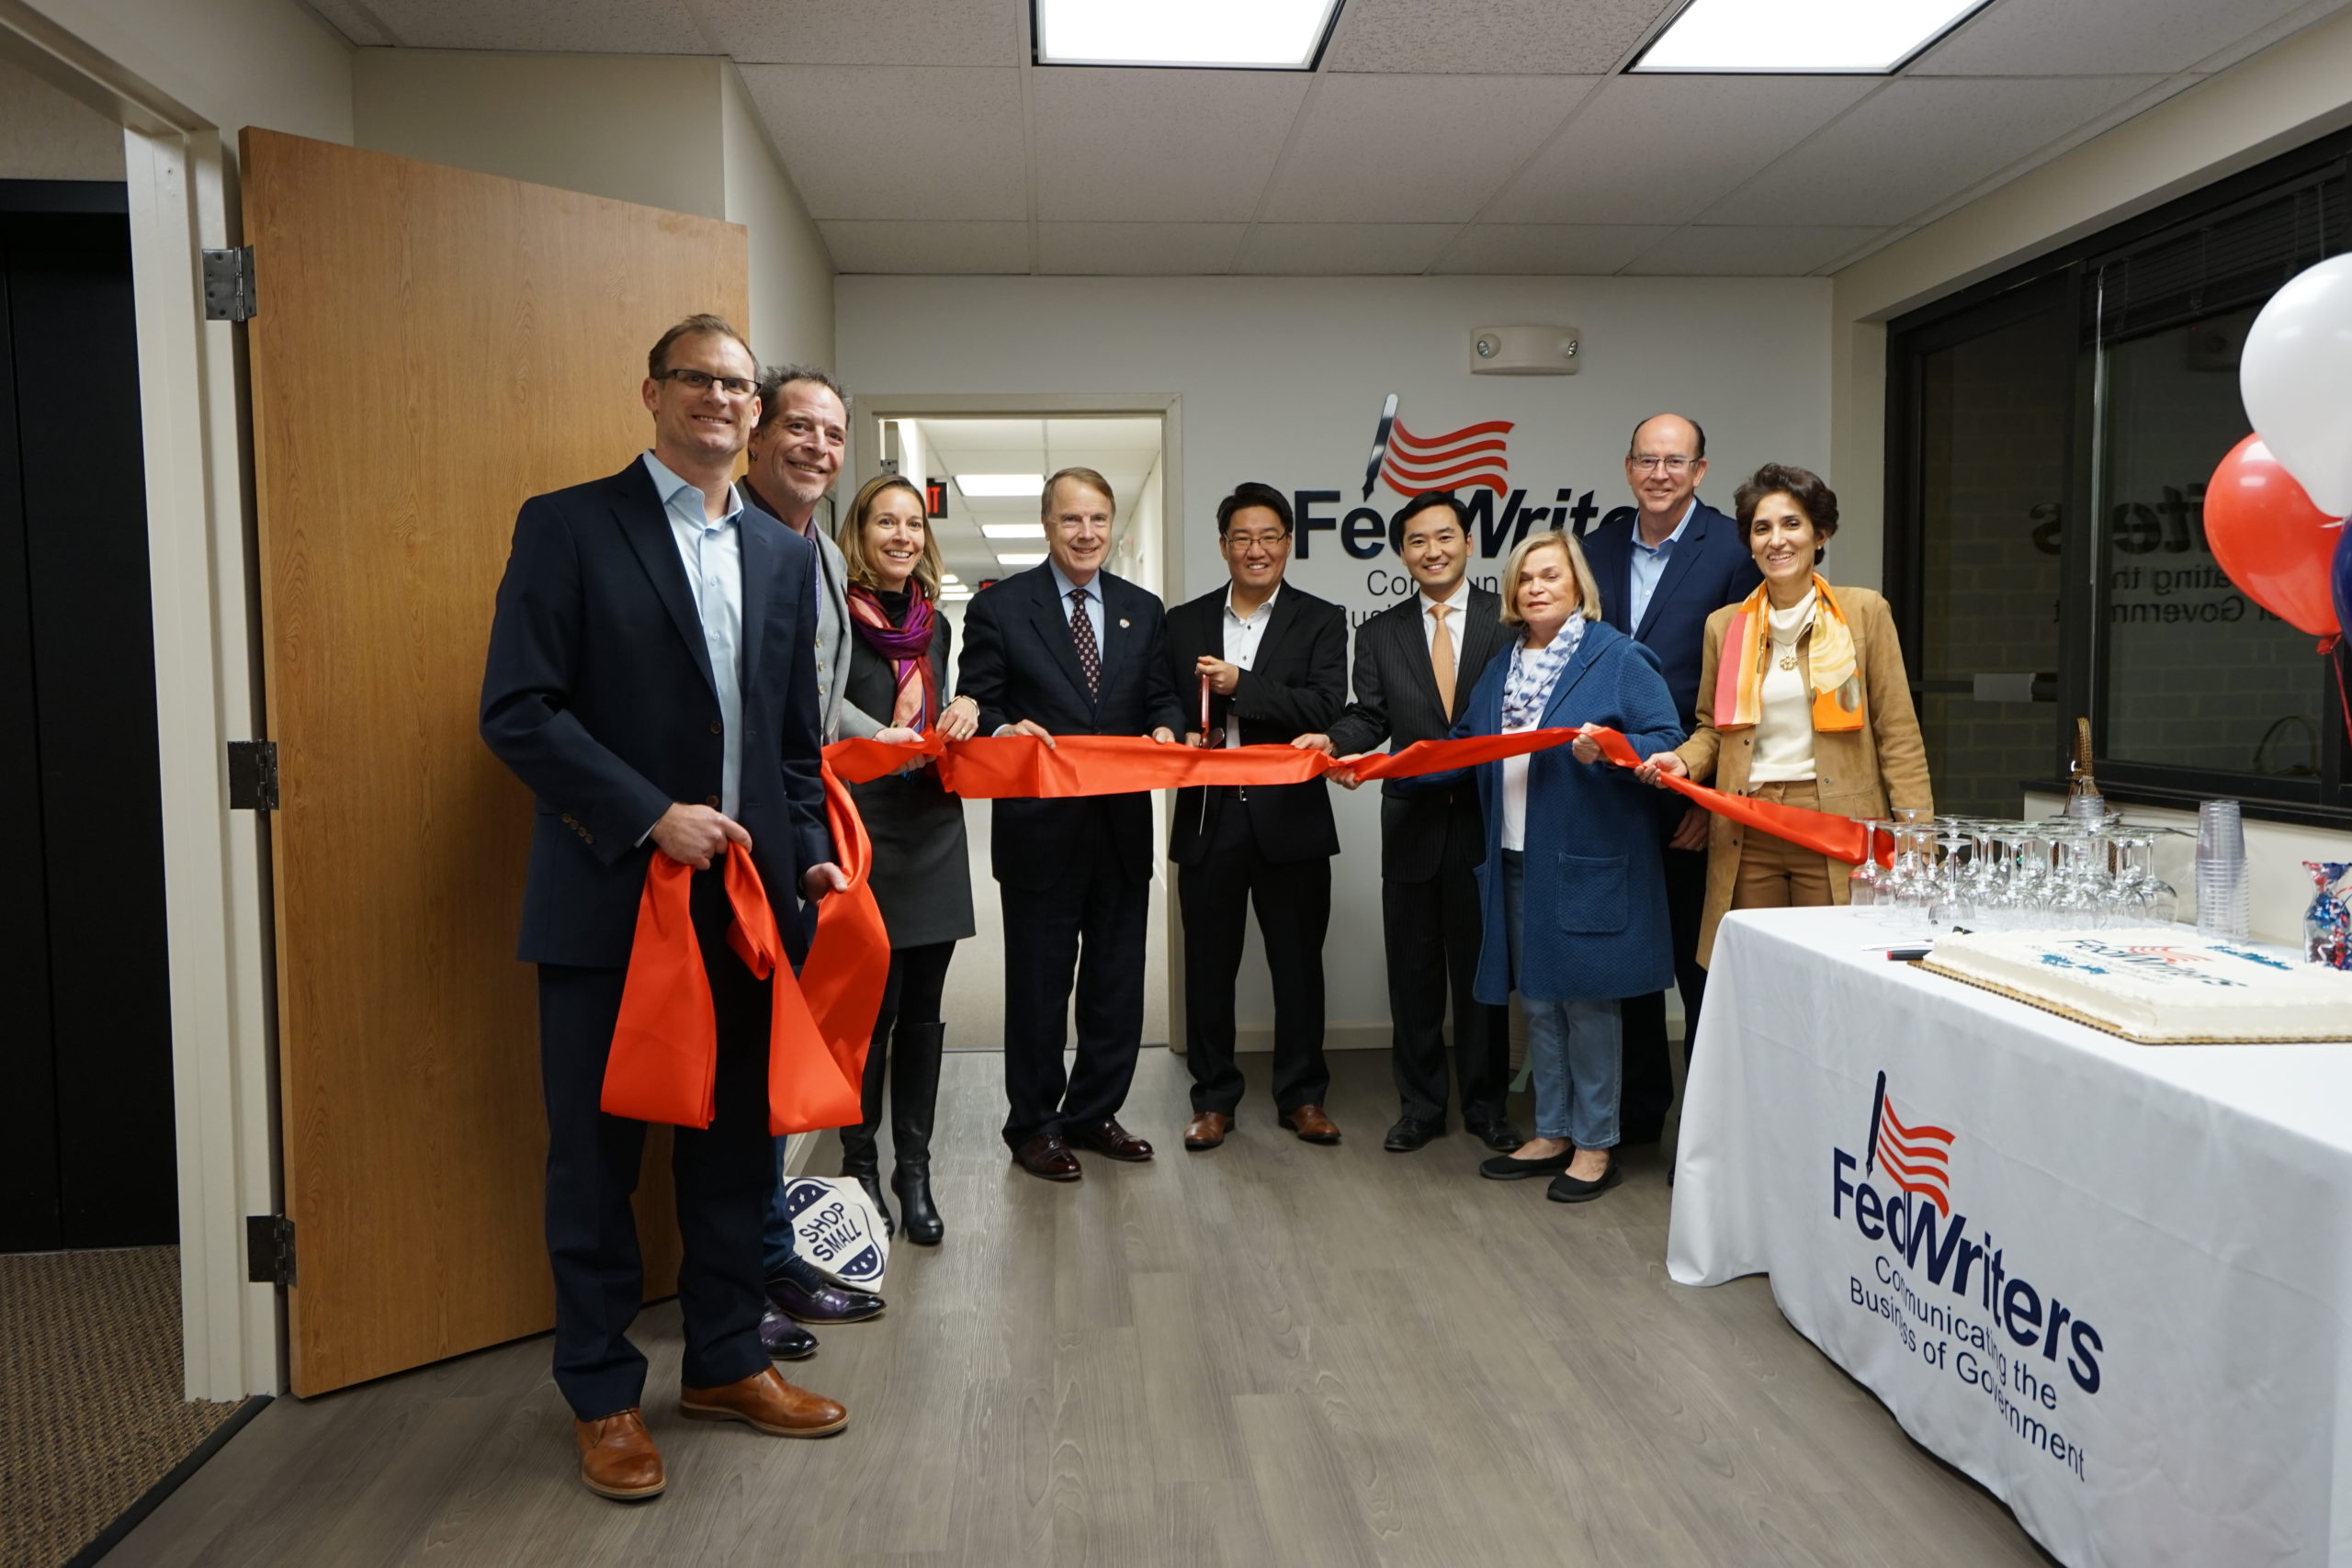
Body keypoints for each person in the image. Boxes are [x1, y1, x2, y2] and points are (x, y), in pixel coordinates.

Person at [479, 313, 851, 1503]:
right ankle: (601, 1394)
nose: (722, 400)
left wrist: (808, 866)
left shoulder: (788, 555)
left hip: (747, 914)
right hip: (609, 900)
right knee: (595, 1158)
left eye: (740, 386)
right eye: (699, 379)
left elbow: (794, 744)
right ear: (652, 391)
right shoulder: (569, 525)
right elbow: (520, 710)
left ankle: (727, 1359)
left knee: (735, 1149)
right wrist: (651, 813)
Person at [1360, 530, 1684, 1202]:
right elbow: (1461, 745)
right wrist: (1382, 769)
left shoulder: (1615, 656)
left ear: (1577, 586)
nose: (1536, 587)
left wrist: (1615, 747)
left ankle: (1597, 1144)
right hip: (1511, 856)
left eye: (1550, 575)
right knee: (1538, 1002)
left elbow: (1667, 741)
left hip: (1585, 863)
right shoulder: (1505, 664)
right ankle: (1555, 1130)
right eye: (1525, 578)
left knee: (1589, 1008)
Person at [956, 467, 1185, 1181]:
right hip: (1037, 832)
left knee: (1116, 985)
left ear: (1111, 525)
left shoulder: (1143, 609)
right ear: (1047, 524)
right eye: (1070, 520)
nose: (1086, 534)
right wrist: (1001, 727)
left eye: (1098, 520)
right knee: (1039, 988)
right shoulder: (1001, 609)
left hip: (1120, 830)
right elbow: (979, 704)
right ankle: (1032, 1126)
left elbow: (1163, 697)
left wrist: (1168, 729)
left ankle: (1093, 1113)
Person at [1296, 492, 1520, 1156]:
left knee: (1482, 976)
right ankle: (1420, 1105)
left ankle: (1487, 1106)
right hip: (1414, 825)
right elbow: (1369, 716)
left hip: (1487, 819)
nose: (1433, 550)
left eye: (1445, 537)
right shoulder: (1381, 631)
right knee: (1414, 975)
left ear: (1469, 543)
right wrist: (1334, 740)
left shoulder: (1506, 620)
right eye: (1418, 540)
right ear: (1402, 553)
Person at [1640, 463, 1932, 967]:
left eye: (1791, 524)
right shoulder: (1725, 625)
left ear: (1821, 534)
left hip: (1838, 825)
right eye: (1762, 528)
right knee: (1759, 976)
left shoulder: (1865, 613)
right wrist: (1682, 763)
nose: (1777, 540)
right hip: (1748, 828)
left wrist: (1916, 837)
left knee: (1838, 973)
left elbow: (1898, 734)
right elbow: (1713, 728)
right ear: (1749, 544)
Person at [740, 367, 887, 1357]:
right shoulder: (719, 538)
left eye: (833, 437)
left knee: (782, 1056)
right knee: (733, 1071)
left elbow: (810, 710)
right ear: (756, 431)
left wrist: (891, 746)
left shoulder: (823, 561)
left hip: (802, 837)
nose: (818, 450)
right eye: (799, 428)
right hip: (717, 843)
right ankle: (732, 1281)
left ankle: (769, 1252)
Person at [1579, 414, 1760, 1141]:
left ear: (1701, 470)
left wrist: (1714, 802)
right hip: (1612, 796)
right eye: (1647, 460)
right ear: (1628, 467)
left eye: (1675, 461)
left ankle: (1710, 1132)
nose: (1660, 473)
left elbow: (1741, 692)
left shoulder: (1734, 552)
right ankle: (1639, 1115)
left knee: (1699, 967)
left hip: (1693, 792)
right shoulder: (1594, 549)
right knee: (1627, 965)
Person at [1163, 483, 1349, 1151]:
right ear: (1223, 546)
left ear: (1288, 544)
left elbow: (1326, 708)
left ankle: (1303, 1096)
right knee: (1208, 969)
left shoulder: (1323, 619)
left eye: (1269, 536)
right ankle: (1213, 1099)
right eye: (1242, 537)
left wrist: (1244, 685)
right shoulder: (1182, 621)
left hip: (1290, 819)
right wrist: (1175, 728)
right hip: (1210, 817)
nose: (1256, 549)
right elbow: (1162, 701)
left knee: (1298, 966)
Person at [833, 475, 978, 1245]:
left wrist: (967, 708)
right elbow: (817, 718)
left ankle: (912, 1171)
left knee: (924, 1011)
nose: (901, 536)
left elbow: (937, 711)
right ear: (860, 532)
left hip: (931, 825)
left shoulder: (936, 625)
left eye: (913, 523)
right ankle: (859, 1173)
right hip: (861, 830)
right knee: (871, 1014)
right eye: (885, 521)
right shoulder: (832, 615)